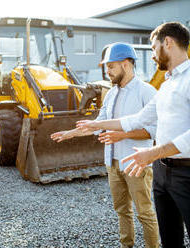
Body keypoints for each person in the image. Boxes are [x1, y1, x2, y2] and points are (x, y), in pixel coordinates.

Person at [76, 22, 190, 248]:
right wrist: (95, 125)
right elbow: (137, 119)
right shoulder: (167, 85)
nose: (153, 55)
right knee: (171, 238)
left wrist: (152, 152)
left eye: (153, 48)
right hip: (163, 172)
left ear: (168, 43)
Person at [51, 42, 159, 248]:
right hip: (112, 163)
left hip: (136, 163)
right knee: (122, 211)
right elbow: (98, 124)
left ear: (126, 64)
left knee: (145, 213)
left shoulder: (147, 92)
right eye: (106, 67)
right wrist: (70, 134)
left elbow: (153, 132)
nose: (107, 71)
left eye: (111, 66)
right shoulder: (110, 94)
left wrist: (121, 135)